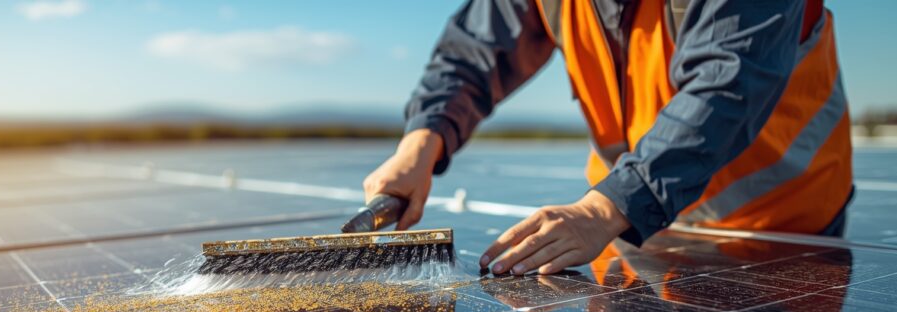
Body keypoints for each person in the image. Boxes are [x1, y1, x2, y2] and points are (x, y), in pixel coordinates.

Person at [363, 0, 852, 275]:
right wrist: (420, 144)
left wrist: (605, 209)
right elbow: (472, 53)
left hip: (772, 234)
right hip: (624, 224)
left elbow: (730, 83)